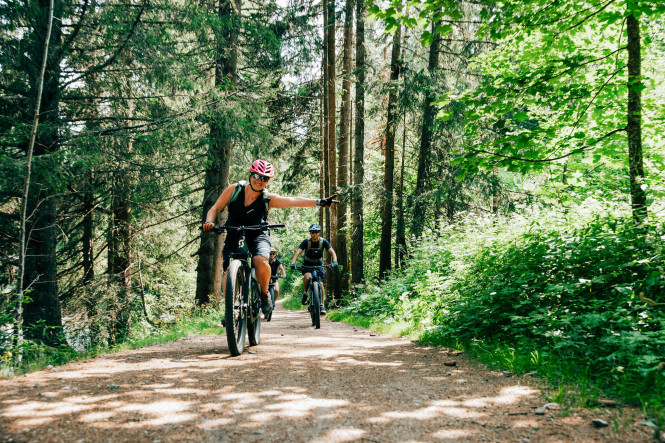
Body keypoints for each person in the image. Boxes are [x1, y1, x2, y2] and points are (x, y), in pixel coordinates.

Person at [202, 160, 336, 316]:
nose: (259, 181)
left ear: (268, 181)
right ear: (250, 175)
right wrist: (209, 222)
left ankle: (264, 293)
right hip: (234, 231)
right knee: (228, 269)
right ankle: (229, 310)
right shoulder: (234, 190)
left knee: (260, 260)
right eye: (256, 176)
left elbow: (293, 200)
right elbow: (215, 208)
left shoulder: (267, 198)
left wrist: (319, 202)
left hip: (258, 233)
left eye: (264, 178)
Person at [290, 224, 338, 315]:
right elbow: (297, 253)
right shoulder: (306, 242)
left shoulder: (323, 241)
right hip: (307, 265)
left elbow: (332, 252)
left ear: (318, 232)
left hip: (318, 265)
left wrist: (334, 261)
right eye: (312, 232)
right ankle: (305, 293)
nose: (314, 234)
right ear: (310, 233)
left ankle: (322, 305)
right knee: (307, 278)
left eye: (316, 232)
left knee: (321, 284)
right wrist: (293, 263)